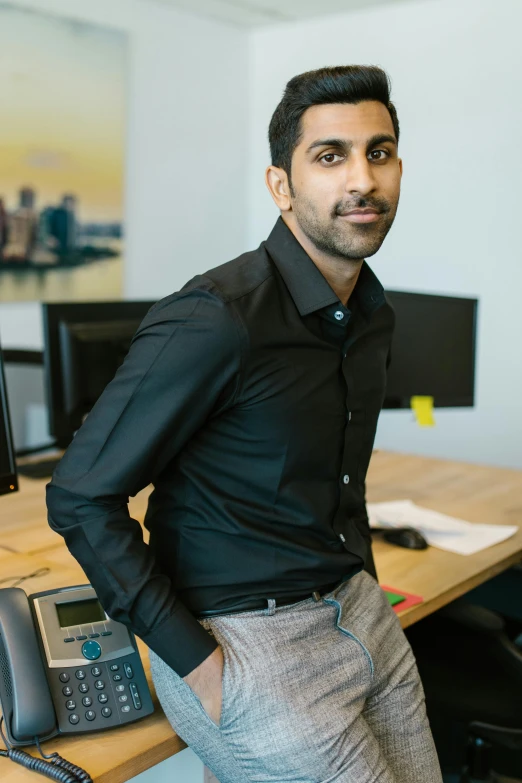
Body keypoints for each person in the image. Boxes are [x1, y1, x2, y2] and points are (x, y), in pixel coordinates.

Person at [46, 65, 443, 783]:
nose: (363, 178)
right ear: (281, 186)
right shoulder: (215, 318)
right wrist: (196, 663)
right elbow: (79, 494)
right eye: (331, 156)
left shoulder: (371, 315)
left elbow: (337, 482)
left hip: (361, 614)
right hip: (251, 642)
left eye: (378, 152)